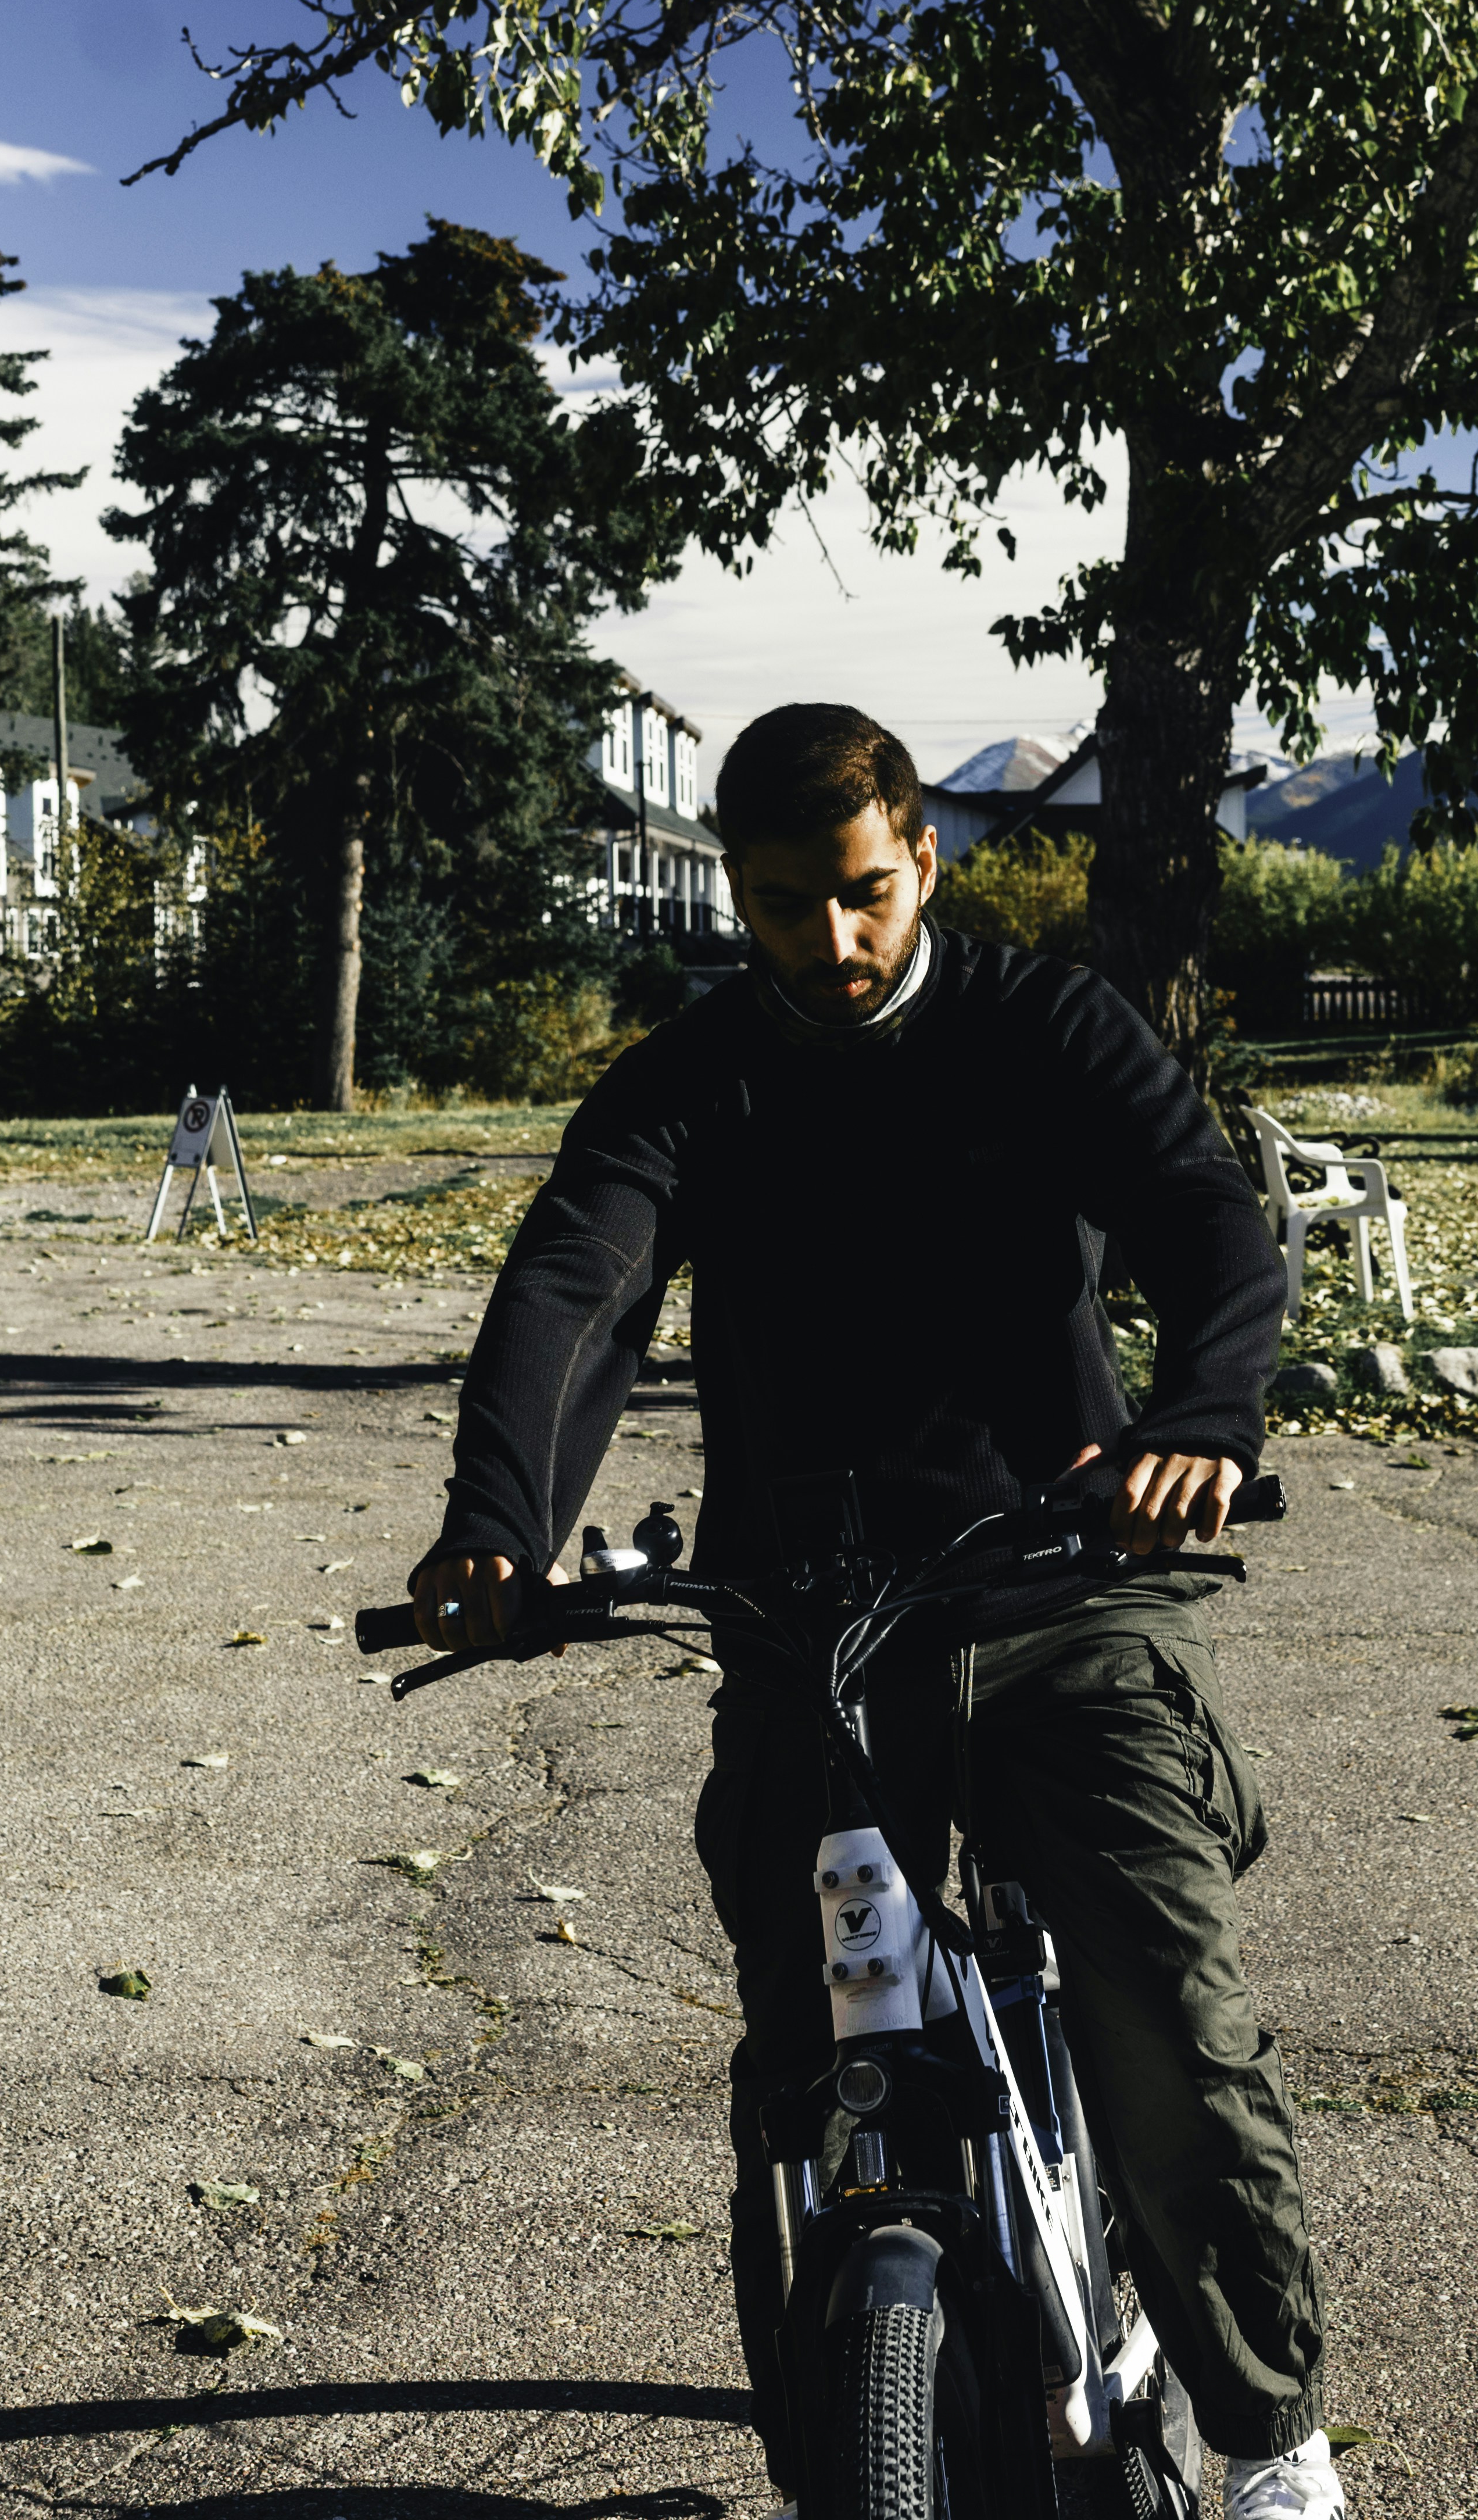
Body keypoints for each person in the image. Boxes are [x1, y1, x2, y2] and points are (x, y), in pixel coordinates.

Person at [409, 701, 1343, 2520]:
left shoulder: (1042, 1029)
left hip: (1063, 1580)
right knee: (804, 2063)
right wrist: (500, 1530)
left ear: (920, 855)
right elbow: (575, 1288)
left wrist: (1202, 1425)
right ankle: (848, 2424)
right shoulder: (698, 1077)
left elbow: (1210, 1226)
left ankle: (1270, 2436)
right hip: (807, 1621)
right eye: (778, 910)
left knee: (1166, 2007)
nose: (826, 948)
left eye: (857, 898)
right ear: (736, 900)